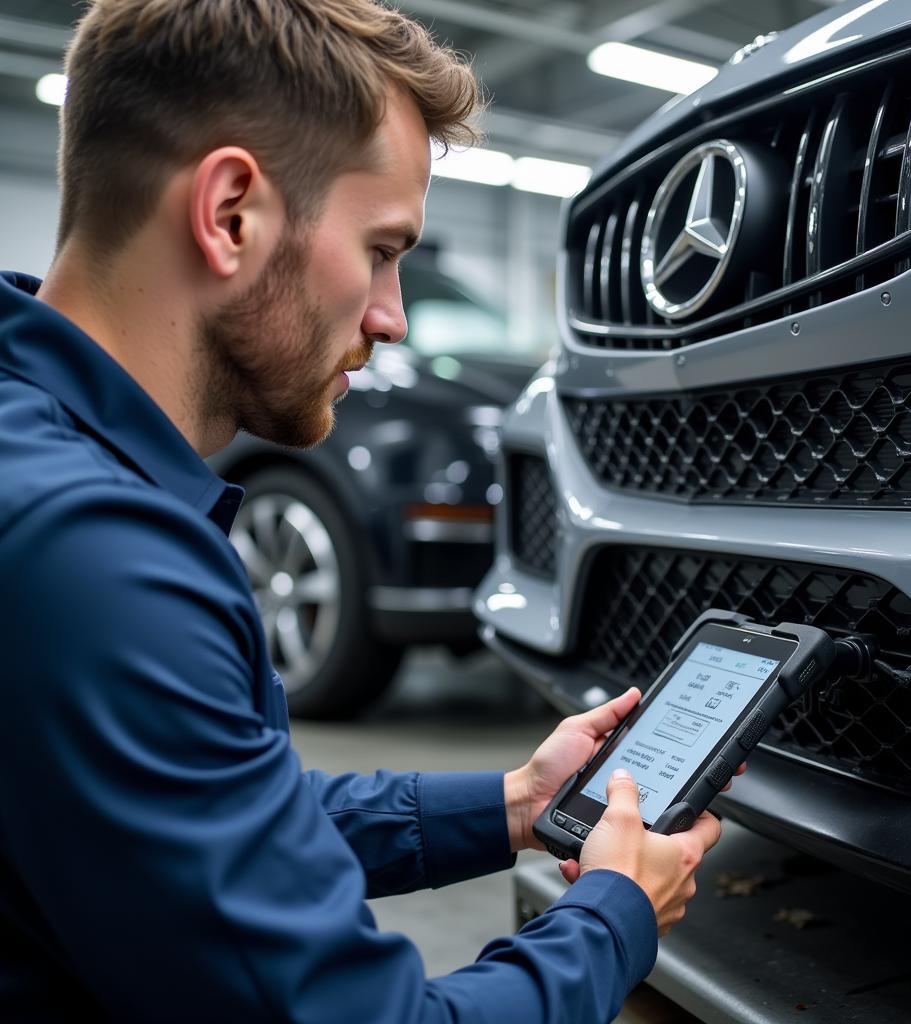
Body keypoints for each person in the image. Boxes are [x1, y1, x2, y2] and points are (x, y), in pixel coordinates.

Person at [0, 2, 727, 1020]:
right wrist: (615, 911)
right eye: (382, 247)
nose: (389, 313)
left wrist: (517, 801)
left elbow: (207, 816)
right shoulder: (98, 558)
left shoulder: (35, 453)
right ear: (230, 215)